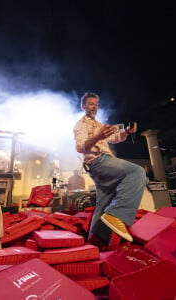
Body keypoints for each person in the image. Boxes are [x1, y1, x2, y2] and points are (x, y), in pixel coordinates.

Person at [73, 92, 146, 245]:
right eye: (91, 104)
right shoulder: (80, 124)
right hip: (98, 161)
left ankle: (94, 243)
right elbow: (80, 147)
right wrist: (97, 137)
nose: (94, 107)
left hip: (98, 166)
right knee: (137, 172)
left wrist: (126, 131)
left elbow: (114, 138)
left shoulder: (99, 125)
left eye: (96, 104)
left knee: (104, 202)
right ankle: (117, 215)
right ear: (83, 106)